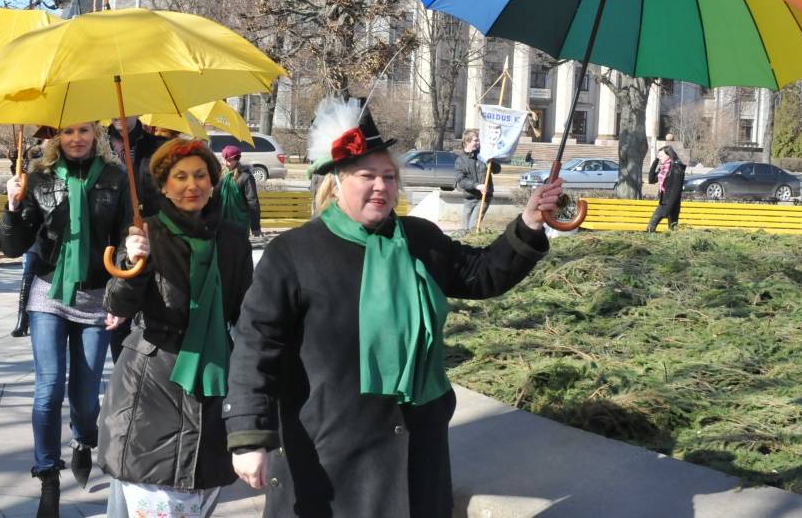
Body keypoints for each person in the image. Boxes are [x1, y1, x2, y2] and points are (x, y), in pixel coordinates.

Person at [223, 97, 563, 517]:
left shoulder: (419, 239)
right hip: (330, 453)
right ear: (337, 181)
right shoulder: (293, 253)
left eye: (389, 176)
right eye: (368, 175)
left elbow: (482, 274)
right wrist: (248, 434)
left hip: (417, 451)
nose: (381, 186)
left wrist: (529, 222)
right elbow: (256, 347)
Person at [98, 139, 253, 518]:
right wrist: (133, 264)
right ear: (164, 186)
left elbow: (245, 312)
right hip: (151, 383)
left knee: (198, 494)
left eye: (200, 175)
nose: (191, 185)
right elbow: (117, 305)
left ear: (213, 181)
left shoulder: (233, 238)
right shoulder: (145, 233)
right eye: (180, 177)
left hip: (214, 379)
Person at [0, 122, 130, 518]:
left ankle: (83, 439)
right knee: (49, 388)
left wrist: (127, 266)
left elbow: (126, 237)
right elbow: (12, 246)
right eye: (69, 131)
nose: (76, 138)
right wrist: (13, 206)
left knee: (87, 398)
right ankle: (48, 476)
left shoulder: (116, 177)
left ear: (95, 135)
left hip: (95, 294)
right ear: (57, 138)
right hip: (48, 290)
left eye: (84, 130)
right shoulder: (37, 177)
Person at [106, 116, 166, 363]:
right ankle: (123, 378)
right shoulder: (98, 145)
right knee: (116, 315)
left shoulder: (157, 147)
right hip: (109, 243)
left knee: (144, 317)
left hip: (146, 239)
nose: (119, 114)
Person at [8, 126, 57, 338]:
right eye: (45, 137)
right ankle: (22, 319)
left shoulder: (62, 159)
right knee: (28, 272)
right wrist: (14, 163)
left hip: (50, 227)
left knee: (41, 272)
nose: (47, 141)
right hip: (33, 226)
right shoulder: (32, 155)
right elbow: (23, 182)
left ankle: (44, 313)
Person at [454, 129, 501, 231]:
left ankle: (475, 242)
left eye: (479, 140)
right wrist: (477, 186)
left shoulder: (483, 156)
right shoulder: (460, 160)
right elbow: (461, 180)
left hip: (483, 197)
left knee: (473, 226)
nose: (478, 143)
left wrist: (491, 160)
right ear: (467, 142)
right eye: (476, 140)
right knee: (465, 229)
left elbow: (497, 170)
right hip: (469, 197)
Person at [216, 145, 262, 238]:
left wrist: (255, 227)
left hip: (240, 223)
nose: (226, 163)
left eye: (229, 160)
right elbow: (215, 198)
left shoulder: (245, 177)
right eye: (224, 160)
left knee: (239, 249)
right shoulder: (221, 175)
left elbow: (253, 203)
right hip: (222, 222)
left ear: (237, 159)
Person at [646, 145, 685, 232]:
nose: (660, 158)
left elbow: (676, 190)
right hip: (663, 202)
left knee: (671, 229)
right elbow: (651, 179)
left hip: (671, 203)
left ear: (669, 155)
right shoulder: (664, 169)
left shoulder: (677, 168)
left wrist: (668, 208)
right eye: (659, 157)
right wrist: (655, 161)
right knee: (651, 228)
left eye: (662, 156)